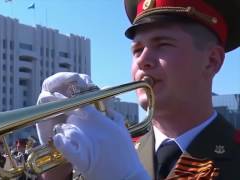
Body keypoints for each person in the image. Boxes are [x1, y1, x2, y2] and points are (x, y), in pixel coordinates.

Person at [36, 0, 240, 179]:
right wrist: (56, 170)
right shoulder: (111, 149)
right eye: (137, 50)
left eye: (163, 44)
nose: (142, 60)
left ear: (211, 61)